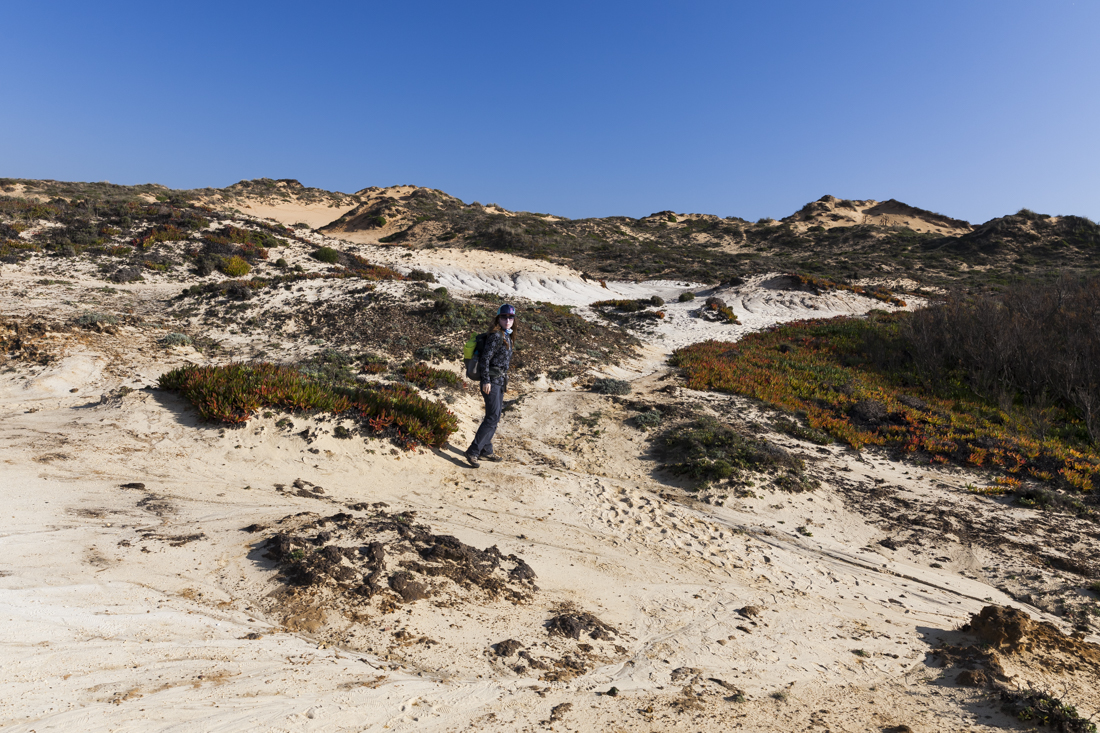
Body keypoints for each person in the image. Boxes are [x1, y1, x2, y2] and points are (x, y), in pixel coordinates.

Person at [465, 304, 516, 467]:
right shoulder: (496, 336)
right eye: (504, 317)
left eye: (510, 317)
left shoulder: (507, 335)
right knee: (492, 417)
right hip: (491, 381)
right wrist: (486, 380)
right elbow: (485, 359)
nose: (507, 320)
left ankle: (486, 450)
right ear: (498, 318)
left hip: (499, 381)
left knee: (494, 416)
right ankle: (473, 451)